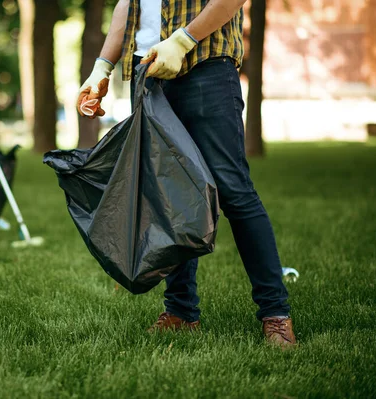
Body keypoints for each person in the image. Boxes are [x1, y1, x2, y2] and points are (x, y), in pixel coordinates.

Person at [78, 0, 296, 347]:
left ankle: (275, 314)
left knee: (234, 192)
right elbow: (126, 4)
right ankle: (180, 312)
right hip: (147, 71)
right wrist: (102, 66)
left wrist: (183, 40)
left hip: (205, 65)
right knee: (169, 196)